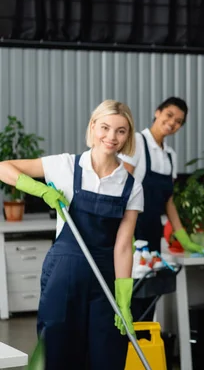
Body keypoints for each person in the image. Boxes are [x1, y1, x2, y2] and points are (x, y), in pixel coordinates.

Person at [0, 100, 143, 369]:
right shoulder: (64, 165)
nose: (111, 137)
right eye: (105, 127)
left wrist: (123, 297)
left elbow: (123, 246)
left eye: (121, 131)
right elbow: (4, 167)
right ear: (93, 127)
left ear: (128, 136)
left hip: (105, 280)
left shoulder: (131, 186)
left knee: (107, 354)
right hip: (63, 276)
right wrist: (41, 190)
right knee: (58, 353)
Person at [120, 97, 203, 321]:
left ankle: (145, 347)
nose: (172, 123)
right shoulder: (137, 141)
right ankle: (124, 348)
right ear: (157, 112)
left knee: (149, 291)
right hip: (132, 231)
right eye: (169, 115)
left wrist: (182, 236)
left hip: (153, 231)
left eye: (178, 121)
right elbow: (122, 185)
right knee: (131, 293)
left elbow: (169, 201)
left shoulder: (170, 156)